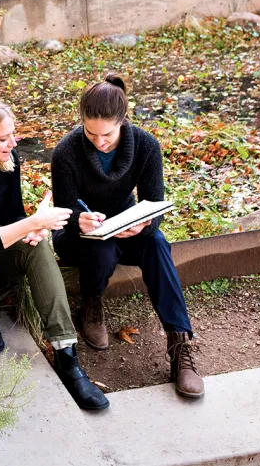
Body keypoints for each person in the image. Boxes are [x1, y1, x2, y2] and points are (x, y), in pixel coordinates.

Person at [0, 96, 108, 411]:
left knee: (36, 246)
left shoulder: (8, 163)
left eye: (13, 133)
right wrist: (31, 222)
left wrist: (32, 230)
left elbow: (11, 218)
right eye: (3, 138)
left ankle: (67, 355)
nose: (13, 142)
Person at [50, 75, 205, 399]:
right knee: (102, 251)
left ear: (122, 122)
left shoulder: (146, 145)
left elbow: (154, 201)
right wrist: (81, 220)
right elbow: (64, 214)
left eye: (106, 134)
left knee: (158, 243)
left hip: (124, 225)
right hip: (79, 236)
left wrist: (145, 224)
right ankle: (91, 306)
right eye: (90, 133)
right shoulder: (66, 151)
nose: (98, 141)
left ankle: (180, 344)